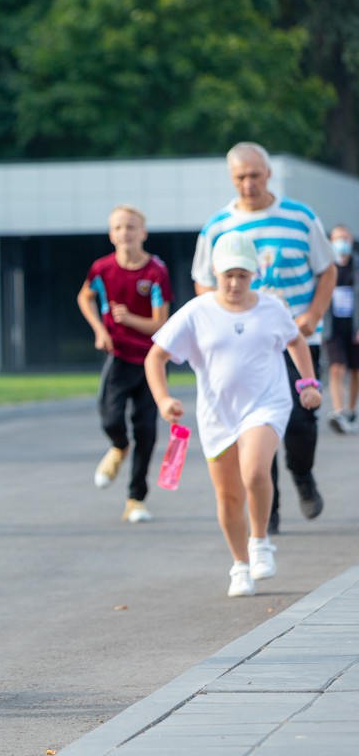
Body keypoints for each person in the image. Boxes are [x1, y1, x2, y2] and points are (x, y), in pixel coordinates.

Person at [147, 232, 321, 597]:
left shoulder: (271, 307)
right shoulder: (198, 312)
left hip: (266, 404)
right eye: (228, 274)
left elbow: (296, 340)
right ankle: (240, 565)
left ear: (253, 273)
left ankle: (260, 541)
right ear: (215, 272)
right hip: (217, 414)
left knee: (255, 469)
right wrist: (164, 399)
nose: (234, 283)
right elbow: (156, 357)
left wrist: (308, 383)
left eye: (242, 275)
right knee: (228, 497)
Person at [190, 142, 336, 534]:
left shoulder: (301, 218)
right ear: (230, 179)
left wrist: (313, 315)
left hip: (299, 338)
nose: (248, 184)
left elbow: (327, 270)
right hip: (248, 345)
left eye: (255, 175)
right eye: (240, 177)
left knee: (302, 423)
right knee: (256, 426)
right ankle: (267, 511)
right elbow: (204, 284)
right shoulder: (218, 226)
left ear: (268, 174)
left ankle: (303, 475)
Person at [76, 205, 172, 523]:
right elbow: (84, 297)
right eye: (118, 227)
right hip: (117, 357)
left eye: (131, 227)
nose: (124, 233)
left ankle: (135, 499)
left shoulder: (155, 272)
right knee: (110, 419)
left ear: (142, 233)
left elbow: (161, 324)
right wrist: (100, 330)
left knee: (146, 431)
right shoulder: (101, 269)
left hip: (150, 361)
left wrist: (130, 318)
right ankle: (119, 447)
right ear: (111, 234)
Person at [324, 225, 359, 434]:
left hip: (353, 326)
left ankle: (351, 411)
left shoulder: (356, 266)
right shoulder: (327, 267)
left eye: (345, 238)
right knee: (336, 367)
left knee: (355, 370)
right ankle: (339, 412)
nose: (342, 242)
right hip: (333, 326)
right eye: (338, 238)